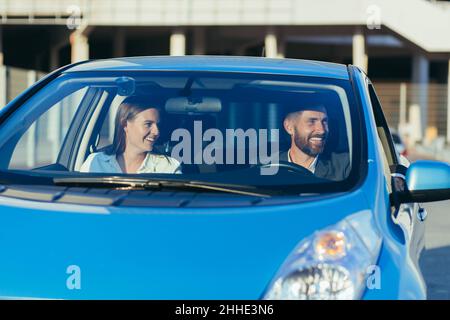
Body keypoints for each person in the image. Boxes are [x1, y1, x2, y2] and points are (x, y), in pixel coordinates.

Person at [80, 96, 181, 174]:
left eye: (157, 125)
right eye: (148, 124)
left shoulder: (168, 168)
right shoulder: (95, 162)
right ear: (125, 124)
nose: (157, 131)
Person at [281, 104, 349, 181]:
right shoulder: (269, 164)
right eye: (311, 121)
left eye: (324, 121)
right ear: (289, 127)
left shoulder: (343, 165)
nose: (322, 130)